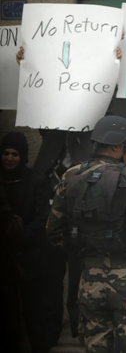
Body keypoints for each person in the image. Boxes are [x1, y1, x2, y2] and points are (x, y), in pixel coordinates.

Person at [46, 115, 126, 352]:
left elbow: (53, 230)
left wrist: (82, 250)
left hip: (90, 278)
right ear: (117, 146)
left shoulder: (71, 175)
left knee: (96, 345)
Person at [0, 132, 59, 353]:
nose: (9, 158)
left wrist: (20, 235)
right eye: (5, 153)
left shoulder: (36, 181)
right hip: (5, 257)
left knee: (34, 310)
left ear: (22, 155)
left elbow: (41, 217)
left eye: (14, 154)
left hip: (30, 257)